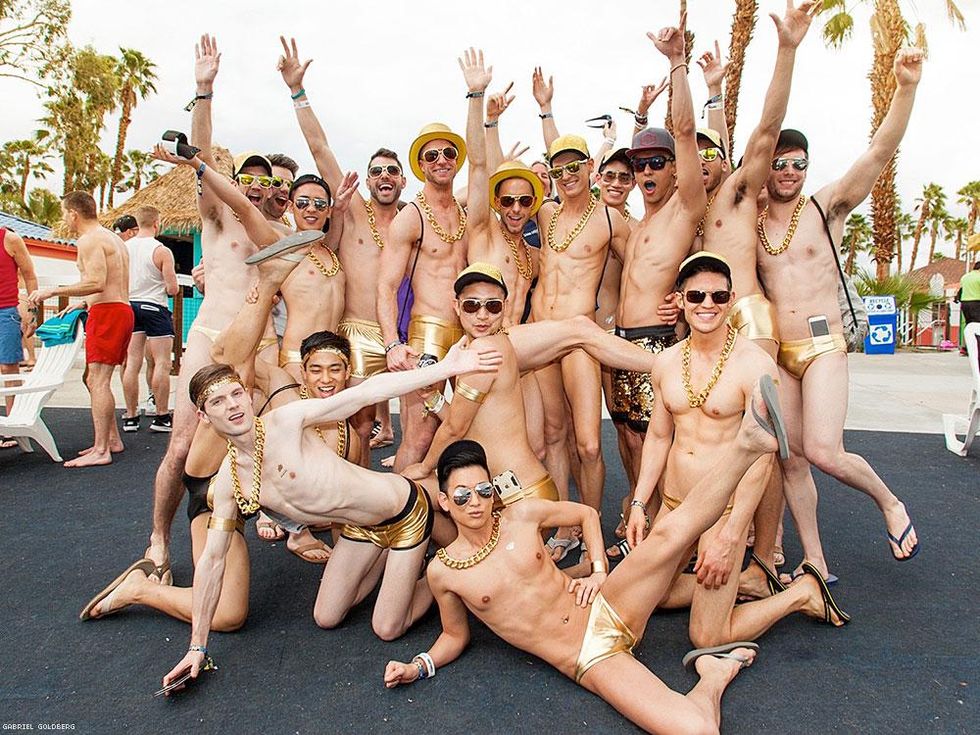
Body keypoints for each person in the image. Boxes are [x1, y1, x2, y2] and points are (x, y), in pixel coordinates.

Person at [159, 259, 503, 690]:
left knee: (386, 628)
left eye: (236, 394)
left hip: (403, 512)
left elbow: (367, 392)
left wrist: (447, 369)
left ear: (248, 397)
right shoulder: (229, 483)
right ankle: (401, 564)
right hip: (360, 528)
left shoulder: (285, 423)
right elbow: (211, 563)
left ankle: (442, 576)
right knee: (325, 617)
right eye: (218, 402)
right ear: (204, 416)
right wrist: (197, 647)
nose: (232, 406)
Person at [383, 378, 787, 735]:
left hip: (607, 601)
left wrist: (598, 569)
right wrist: (418, 666)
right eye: (462, 496)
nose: (476, 503)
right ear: (444, 502)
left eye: (484, 491)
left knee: (669, 532)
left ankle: (747, 444)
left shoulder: (521, 516)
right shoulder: (445, 572)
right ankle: (713, 675)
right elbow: (454, 636)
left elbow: (586, 514)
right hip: (589, 655)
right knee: (696, 729)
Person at [624, 253, 847, 657]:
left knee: (707, 638)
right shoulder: (666, 362)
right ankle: (743, 583)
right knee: (647, 596)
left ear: (731, 300)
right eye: (696, 296)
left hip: (721, 511)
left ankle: (801, 594)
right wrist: (640, 502)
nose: (706, 305)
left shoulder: (756, 365)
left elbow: (763, 459)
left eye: (717, 296)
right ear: (681, 300)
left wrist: (731, 534)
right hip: (674, 506)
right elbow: (657, 437)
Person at [756, 48, 925, 580]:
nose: (787, 171)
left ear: (808, 167)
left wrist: (905, 87)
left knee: (825, 451)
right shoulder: (752, 222)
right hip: (780, 355)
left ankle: (889, 502)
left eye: (797, 163)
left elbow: (879, 151)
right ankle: (816, 561)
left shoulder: (824, 206)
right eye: (778, 162)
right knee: (792, 459)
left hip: (824, 346)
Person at [402, 262, 669, 559]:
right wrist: (434, 400)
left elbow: (454, 430)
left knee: (406, 494)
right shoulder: (483, 347)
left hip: (519, 497)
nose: (481, 314)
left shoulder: (483, 351)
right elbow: (474, 423)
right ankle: (455, 560)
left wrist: (424, 467)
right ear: (457, 307)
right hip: (512, 492)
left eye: (491, 307)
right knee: (430, 519)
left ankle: (453, 561)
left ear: (504, 307)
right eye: (471, 306)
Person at [139, 34, 282, 582]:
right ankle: (158, 536)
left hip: (258, 342)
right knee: (181, 443)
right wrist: (204, 91)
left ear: (273, 191)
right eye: (245, 178)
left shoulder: (272, 233)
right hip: (209, 332)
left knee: (261, 435)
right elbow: (200, 162)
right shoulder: (217, 220)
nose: (252, 187)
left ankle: (264, 517)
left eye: (263, 183)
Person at [693, 0, 818, 581]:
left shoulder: (739, 194)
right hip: (706, 323)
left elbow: (765, 130)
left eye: (716, 152)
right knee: (713, 434)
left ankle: (766, 553)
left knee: (762, 434)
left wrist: (787, 50)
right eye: (698, 154)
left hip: (749, 316)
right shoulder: (686, 211)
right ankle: (721, 534)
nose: (708, 160)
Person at [278, 36, 406, 465]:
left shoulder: (414, 221)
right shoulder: (352, 212)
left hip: (398, 338)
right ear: (367, 180)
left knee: (410, 422)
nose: (384, 176)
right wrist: (298, 92)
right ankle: (339, 504)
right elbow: (320, 148)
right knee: (354, 427)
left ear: (403, 181)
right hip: (353, 332)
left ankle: (377, 501)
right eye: (377, 171)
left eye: (392, 171)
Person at [612, 12, 705, 529]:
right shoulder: (636, 222)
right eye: (640, 164)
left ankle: (668, 524)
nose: (646, 171)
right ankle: (636, 511)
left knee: (658, 437)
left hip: (655, 343)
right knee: (626, 434)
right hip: (622, 342)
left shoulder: (683, 210)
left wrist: (677, 63)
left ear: (673, 168)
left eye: (656, 162)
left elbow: (686, 131)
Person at [379, 114, 469, 472]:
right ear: (420, 165)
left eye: (448, 153)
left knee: (462, 430)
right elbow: (385, 285)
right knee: (418, 436)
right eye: (431, 156)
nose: (441, 160)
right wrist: (391, 343)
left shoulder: (463, 215)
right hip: (426, 336)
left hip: (466, 336)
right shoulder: (411, 216)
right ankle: (399, 523)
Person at [28, 192, 132, 468]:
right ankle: (111, 440)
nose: (64, 218)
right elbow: (112, 282)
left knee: (98, 380)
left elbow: (97, 281)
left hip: (109, 313)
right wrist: (81, 304)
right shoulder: (112, 238)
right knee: (93, 378)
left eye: (64, 213)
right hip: (119, 310)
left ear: (74, 213)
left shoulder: (89, 239)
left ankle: (102, 450)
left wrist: (54, 290)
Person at [121, 206, 179, 433]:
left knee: (132, 363)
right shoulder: (161, 251)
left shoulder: (123, 249)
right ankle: (162, 417)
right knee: (162, 363)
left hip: (129, 307)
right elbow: (173, 288)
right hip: (154, 307)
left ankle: (131, 417)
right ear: (156, 223)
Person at [1, 227, 37, 432]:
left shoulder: (10, 239)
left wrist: (32, 311)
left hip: (5, 311)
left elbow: (29, 275)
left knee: (8, 367)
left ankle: (12, 426)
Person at [956, 262, 980, 355]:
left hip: (965, 304)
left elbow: (961, 290)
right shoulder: (979, 277)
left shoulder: (965, 277)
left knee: (969, 325)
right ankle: (977, 348)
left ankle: (966, 347)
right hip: (976, 303)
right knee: (978, 326)